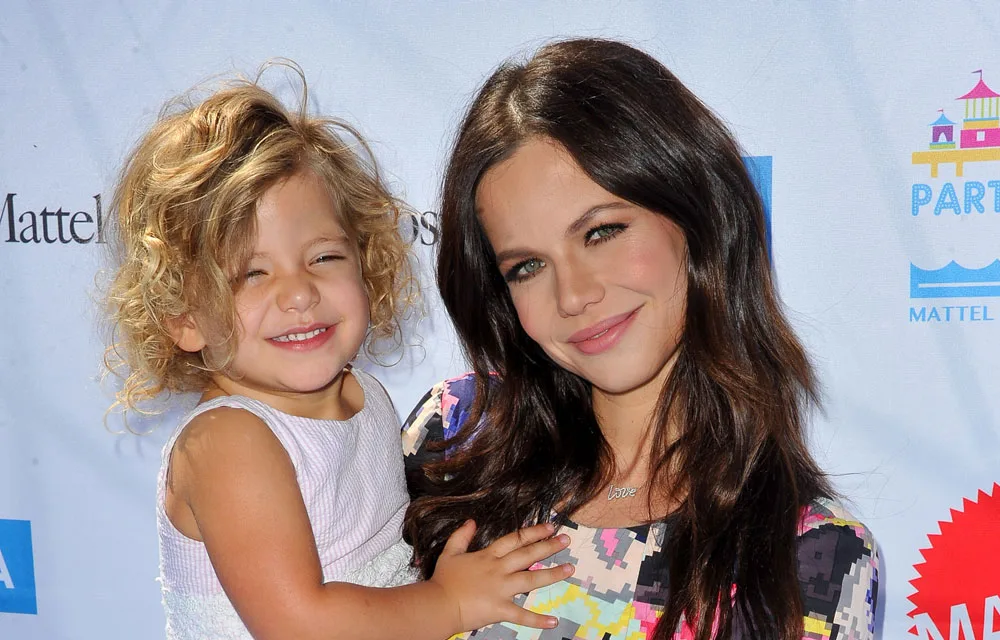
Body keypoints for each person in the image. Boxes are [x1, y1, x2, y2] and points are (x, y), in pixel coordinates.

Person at [403, 39, 879, 640]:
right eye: (526, 266)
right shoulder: (452, 440)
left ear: (697, 217)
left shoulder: (808, 559)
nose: (573, 295)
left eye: (601, 231)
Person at [104, 70, 572, 640]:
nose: (299, 292)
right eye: (252, 273)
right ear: (184, 317)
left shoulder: (365, 395)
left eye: (323, 257)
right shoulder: (229, 442)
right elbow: (301, 625)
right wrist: (448, 602)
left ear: (367, 262)